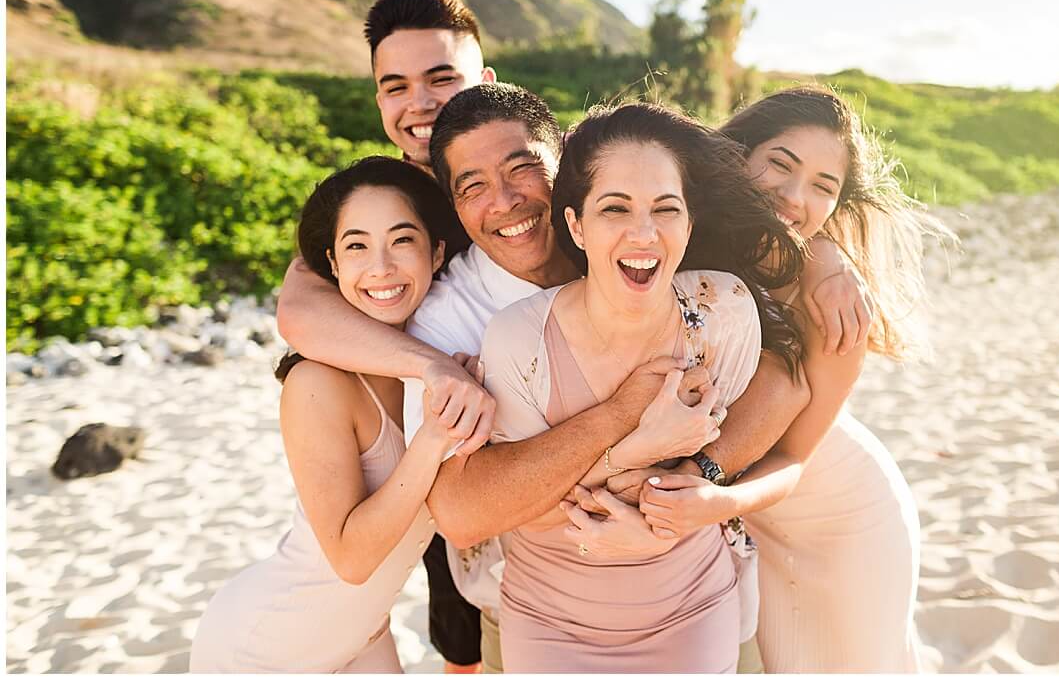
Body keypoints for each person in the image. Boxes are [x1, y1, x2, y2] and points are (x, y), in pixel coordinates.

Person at [282, 79, 872, 674]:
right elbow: (464, 511)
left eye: (522, 169)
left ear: (561, 162)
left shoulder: (652, 240)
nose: (506, 201)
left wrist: (691, 490)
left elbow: (783, 375)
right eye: (473, 187)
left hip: (694, 592)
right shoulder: (449, 323)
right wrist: (626, 432)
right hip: (527, 601)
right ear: (457, 207)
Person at [622, 87, 945, 672]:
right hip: (754, 526)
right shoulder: (685, 236)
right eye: (780, 164)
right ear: (741, 154)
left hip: (843, 521)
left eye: (824, 187)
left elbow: (794, 458)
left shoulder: (835, 304)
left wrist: (718, 500)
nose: (795, 198)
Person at [480, 102, 807, 672]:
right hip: (551, 619)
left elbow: (748, 455)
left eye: (666, 208)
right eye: (615, 208)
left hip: (692, 603)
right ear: (576, 225)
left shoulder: (722, 310)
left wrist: (681, 504)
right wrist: (639, 449)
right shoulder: (517, 341)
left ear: (689, 223)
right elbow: (521, 513)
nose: (644, 232)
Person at [277, 0, 497, 673]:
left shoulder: (537, 166)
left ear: (486, 83)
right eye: (395, 85)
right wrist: (433, 367)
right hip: (447, 465)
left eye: (443, 78)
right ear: (379, 101)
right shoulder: (387, 201)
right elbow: (300, 307)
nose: (420, 103)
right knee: (461, 645)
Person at [189, 157, 462, 673]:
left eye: (402, 240)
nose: (380, 266)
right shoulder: (318, 381)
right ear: (333, 264)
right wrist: (431, 440)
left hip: (363, 631)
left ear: (437, 251)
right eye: (356, 245)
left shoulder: (433, 357)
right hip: (268, 647)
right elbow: (351, 559)